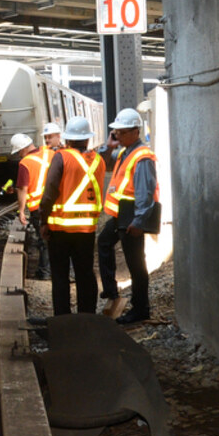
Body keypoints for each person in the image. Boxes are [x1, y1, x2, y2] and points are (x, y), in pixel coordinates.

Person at [38, 116, 106, 316]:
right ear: (88, 139)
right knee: (85, 273)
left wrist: (43, 221)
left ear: (67, 138)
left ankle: (63, 318)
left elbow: (49, 192)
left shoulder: (61, 158)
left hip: (60, 229)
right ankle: (87, 316)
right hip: (86, 229)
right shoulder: (99, 161)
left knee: (60, 276)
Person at [97, 108, 159, 325]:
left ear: (135, 131)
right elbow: (104, 163)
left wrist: (139, 221)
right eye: (117, 132)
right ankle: (111, 290)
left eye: (122, 132)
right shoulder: (125, 152)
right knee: (104, 242)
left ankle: (141, 309)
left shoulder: (142, 157)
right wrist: (109, 146)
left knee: (136, 264)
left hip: (132, 217)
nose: (118, 136)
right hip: (122, 215)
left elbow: (145, 192)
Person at [20, 121, 62, 279]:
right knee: (53, 239)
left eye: (50, 137)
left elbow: (23, 188)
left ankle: (46, 271)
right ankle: (52, 270)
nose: (47, 140)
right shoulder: (51, 153)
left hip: (46, 205)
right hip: (51, 203)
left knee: (46, 240)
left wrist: (21, 210)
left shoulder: (59, 154)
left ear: (59, 136)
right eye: (46, 138)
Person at [6, 132, 38, 224]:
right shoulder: (47, 154)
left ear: (23, 149)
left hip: (38, 207)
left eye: (18, 152)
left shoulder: (25, 163)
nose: (19, 155)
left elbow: (23, 189)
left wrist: (21, 211)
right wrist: (15, 190)